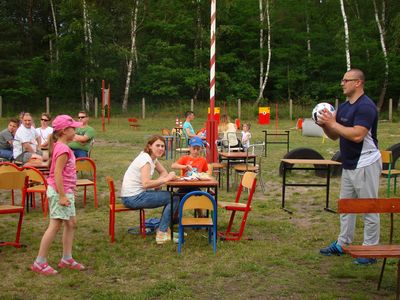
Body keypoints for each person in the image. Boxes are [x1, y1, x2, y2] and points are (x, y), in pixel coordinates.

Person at [317, 68, 381, 265]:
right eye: (342, 80)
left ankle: (370, 251)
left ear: (358, 83)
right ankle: (343, 244)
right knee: (346, 206)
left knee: (369, 207)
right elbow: (335, 135)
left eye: (346, 80)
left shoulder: (366, 106)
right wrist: (325, 125)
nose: (342, 83)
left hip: (366, 162)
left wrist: (332, 123)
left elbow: (357, 135)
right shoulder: (344, 107)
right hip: (349, 163)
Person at [31, 115, 85, 275]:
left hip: (65, 191)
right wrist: (62, 195)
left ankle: (66, 258)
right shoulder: (63, 149)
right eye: (72, 128)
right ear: (63, 131)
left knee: (71, 224)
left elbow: (65, 173)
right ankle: (39, 262)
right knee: (55, 225)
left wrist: (70, 188)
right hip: (59, 192)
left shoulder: (62, 146)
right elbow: (57, 173)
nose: (75, 130)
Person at [120, 135, 179, 244]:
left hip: (135, 194)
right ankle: (162, 231)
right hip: (133, 198)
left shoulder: (152, 159)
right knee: (174, 198)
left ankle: (164, 226)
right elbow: (146, 183)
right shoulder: (146, 159)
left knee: (174, 196)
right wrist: (166, 180)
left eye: (163, 146)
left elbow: (163, 172)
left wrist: (160, 181)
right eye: (157, 145)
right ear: (150, 146)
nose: (161, 148)